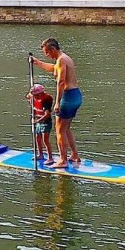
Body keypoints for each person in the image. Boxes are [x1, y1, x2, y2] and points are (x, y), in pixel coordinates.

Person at [31, 38, 82, 169]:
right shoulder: (66, 58)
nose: (48, 56)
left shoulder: (61, 60)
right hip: (76, 95)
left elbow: (61, 82)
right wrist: (38, 63)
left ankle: (63, 160)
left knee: (59, 130)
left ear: (53, 49)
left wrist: (57, 103)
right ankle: (74, 155)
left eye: (47, 53)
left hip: (68, 97)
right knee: (66, 129)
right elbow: (54, 68)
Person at [26, 83, 54, 164]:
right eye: (34, 95)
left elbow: (47, 114)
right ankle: (40, 154)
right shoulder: (34, 97)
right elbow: (28, 96)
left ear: (41, 94)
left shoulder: (46, 100)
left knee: (45, 140)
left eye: (36, 95)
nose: (35, 97)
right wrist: (31, 92)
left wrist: (37, 121)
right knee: (37, 138)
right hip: (38, 121)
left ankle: (50, 158)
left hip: (45, 122)